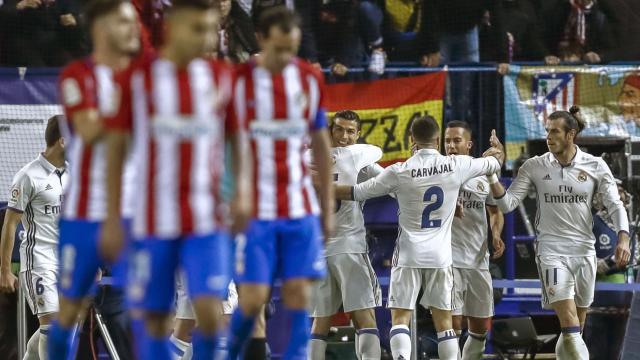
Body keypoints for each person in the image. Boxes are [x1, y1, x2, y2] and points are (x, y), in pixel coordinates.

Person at [101, 0, 253, 359]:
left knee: (213, 312)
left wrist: (242, 195)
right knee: (154, 320)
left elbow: (237, 141)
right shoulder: (137, 79)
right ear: (173, 26)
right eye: (198, 29)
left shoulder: (222, 78)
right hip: (153, 221)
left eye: (212, 31)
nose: (207, 39)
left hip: (207, 220)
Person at [334, 116, 505, 360]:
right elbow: (492, 164)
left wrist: (322, 185)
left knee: (400, 319)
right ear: (438, 141)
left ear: (411, 139)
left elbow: (357, 191)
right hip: (441, 257)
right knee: (445, 324)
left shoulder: (399, 171)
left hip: (408, 254)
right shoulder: (458, 165)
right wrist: (496, 153)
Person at [225, 6, 335, 360]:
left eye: (293, 48)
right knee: (253, 299)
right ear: (260, 39)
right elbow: (232, 144)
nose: (287, 57)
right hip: (256, 208)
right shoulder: (240, 80)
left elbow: (320, 143)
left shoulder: (308, 79)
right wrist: (236, 196)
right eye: (280, 48)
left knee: (299, 295)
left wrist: (327, 206)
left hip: (299, 206)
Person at [487, 106, 631, 360]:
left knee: (574, 329)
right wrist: (492, 175)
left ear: (571, 135)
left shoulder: (595, 166)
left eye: (554, 131)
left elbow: (615, 205)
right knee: (569, 322)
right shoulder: (534, 166)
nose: (548, 137)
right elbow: (507, 204)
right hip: (551, 251)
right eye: (547, 131)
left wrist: (624, 237)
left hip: (585, 251)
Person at [47, 1, 141, 358]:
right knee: (70, 312)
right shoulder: (77, 76)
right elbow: (91, 130)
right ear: (100, 28)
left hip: (132, 214)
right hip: (85, 214)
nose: (134, 30)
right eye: (123, 22)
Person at [309, 110, 384, 360]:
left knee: (320, 322)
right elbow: (379, 158)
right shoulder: (358, 155)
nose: (344, 136)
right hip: (349, 247)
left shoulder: (308, 157)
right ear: (331, 130)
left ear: (358, 133)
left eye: (350, 131)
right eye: (339, 129)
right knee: (364, 316)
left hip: (317, 251)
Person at [0, 115, 68, 360]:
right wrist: (5, 270)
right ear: (62, 140)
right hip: (38, 262)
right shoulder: (27, 176)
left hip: (66, 262)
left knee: (61, 325)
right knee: (52, 327)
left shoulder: (72, 175)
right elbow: (10, 224)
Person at [443, 121, 504, 360]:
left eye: (456, 140)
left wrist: (496, 234)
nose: (451, 145)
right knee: (453, 324)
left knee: (479, 329)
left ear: (468, 144)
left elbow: (495, 211)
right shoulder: (438, 171)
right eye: (447, 141)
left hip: (478, 260)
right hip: (448, 260)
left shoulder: (483, 173)